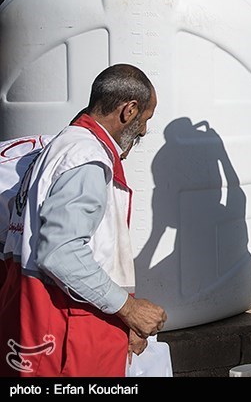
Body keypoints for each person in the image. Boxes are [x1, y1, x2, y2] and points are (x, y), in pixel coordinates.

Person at [0, 64, 168, 377]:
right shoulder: (87, 157)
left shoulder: (61, 145)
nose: (144, 131)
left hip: (40, 320)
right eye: (145, 119)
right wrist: (128, 309)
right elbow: (61, 253)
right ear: (128, 111)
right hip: (68, 330)